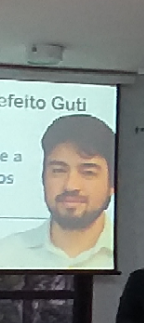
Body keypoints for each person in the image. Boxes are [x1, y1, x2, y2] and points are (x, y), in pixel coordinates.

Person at [0, 114, 115, 269]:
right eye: (58, 170)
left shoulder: (132, 252)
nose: (71, 186)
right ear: (43, 177)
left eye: (88, 172)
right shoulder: (6, 254)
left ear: (113, 183)